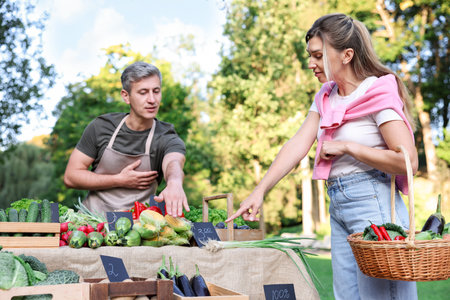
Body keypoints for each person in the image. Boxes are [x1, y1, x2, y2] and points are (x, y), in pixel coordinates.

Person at [226, 13, 418, 300]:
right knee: (347, 296)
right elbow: (297, 144)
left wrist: (349, 148)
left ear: (346, 55)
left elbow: (408, 162)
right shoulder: (326, 96)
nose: (311, 63)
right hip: (339, 205)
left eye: (317, 55)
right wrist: (260, 190)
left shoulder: (377, 92)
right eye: (309, 55)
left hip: (374, 203)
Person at [64, 61, 189, 217]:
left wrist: (175, 183)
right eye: (143, 92)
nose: (152, 99)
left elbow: (174, 162)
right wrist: (119, 180)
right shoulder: (101, 127)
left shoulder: (166, 136)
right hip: (90, 225)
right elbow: (71, 177)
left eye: (156, 91)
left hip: (138, 231)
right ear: (126, 96)